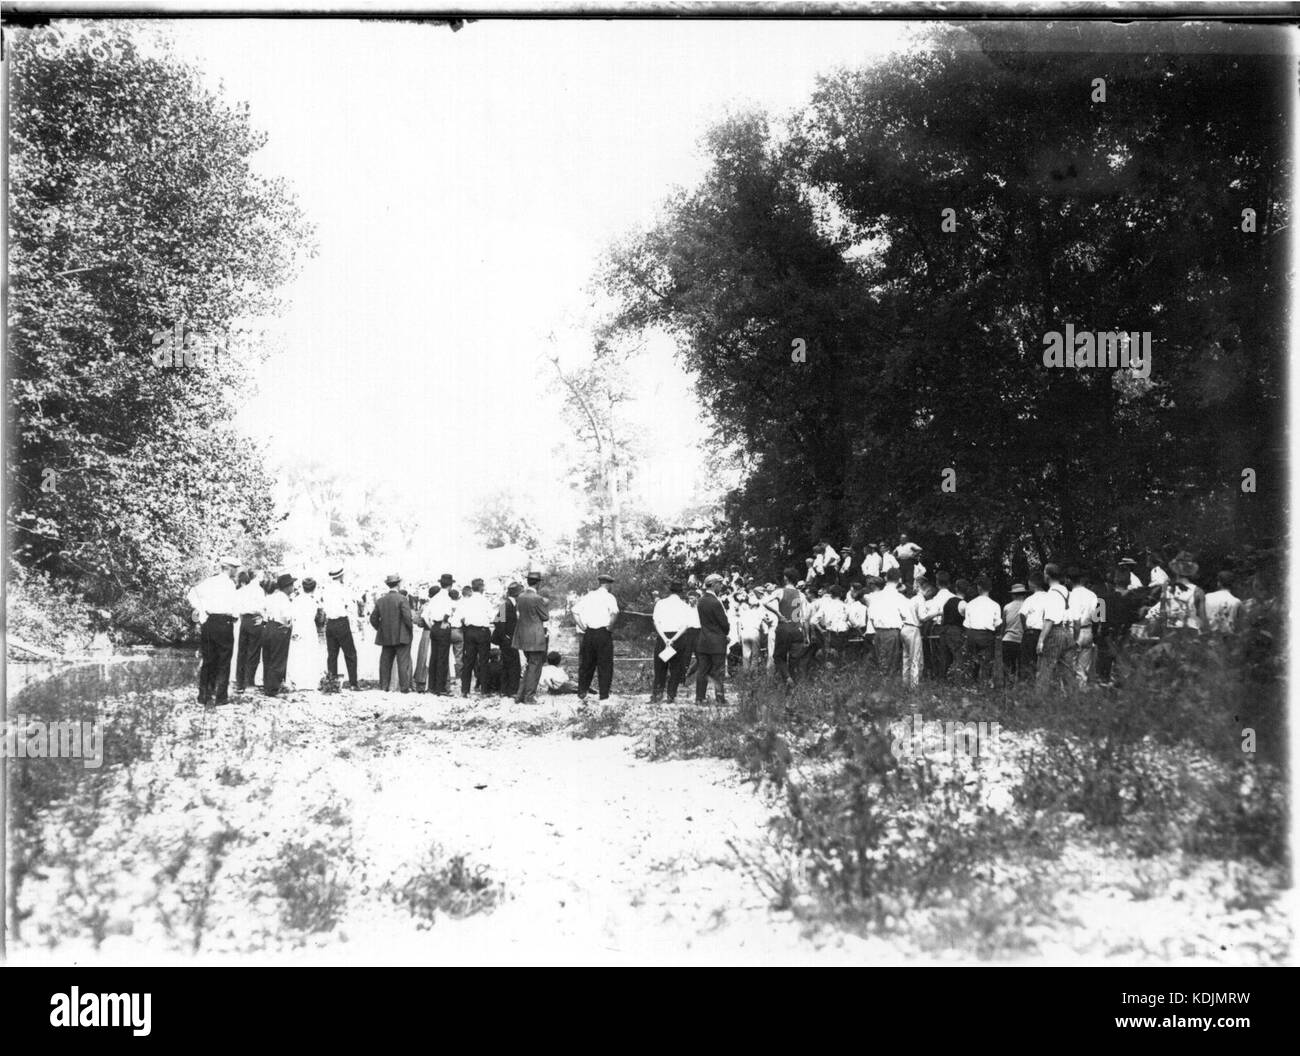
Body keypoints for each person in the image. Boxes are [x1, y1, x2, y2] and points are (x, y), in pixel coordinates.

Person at [186, 555, 241, 707]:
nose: (236, 571)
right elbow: (234, 608)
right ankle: (221, 698)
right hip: (224, 623)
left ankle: (203, 697)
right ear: (228, 568)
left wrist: (201, 611)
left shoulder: (210, 581)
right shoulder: (230, 584)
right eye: (235, 568)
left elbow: (192, 594)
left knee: (209, 660)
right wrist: (235, 616)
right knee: (223, 661)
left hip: (209, 623)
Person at [573, 573, 619, 704]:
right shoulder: (609, 597)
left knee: (586, 663)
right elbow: (615, 612)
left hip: (589, 633)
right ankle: (603, 694)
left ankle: (582, 691)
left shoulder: (588, 596)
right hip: (603, 632)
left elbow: (575, 611)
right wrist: (610, 627)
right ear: (608, 584)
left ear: (600, 583)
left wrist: (582, 626)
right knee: (605, 664)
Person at [370, 573, 413, 693]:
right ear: (398, 584)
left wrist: (381, 629)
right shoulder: (402, 599)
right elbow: (407, 618)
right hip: (401, 636)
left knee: (385, 662)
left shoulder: (381, 600)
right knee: (403, 662)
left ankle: (384, 686)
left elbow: (373, 619)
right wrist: (409, 630)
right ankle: (404, 688)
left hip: (386, 636)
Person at [763, 567, 807, 686]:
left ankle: (787, 678)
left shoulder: (780, 591)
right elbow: (804, 618)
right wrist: (806, 635)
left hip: (784, 628)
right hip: (797, 629)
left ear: (786, 578)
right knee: (794, 660)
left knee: (778, 656)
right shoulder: (801, 595)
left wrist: (778, 614)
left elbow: (765, 602)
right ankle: (791, 688)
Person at [513, 571, 550, 704]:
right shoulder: (537, 598)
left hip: (523, 636)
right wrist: (545, 604)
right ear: (538, 583)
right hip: (535, 636)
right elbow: (545, 617)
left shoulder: (520, 597)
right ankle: (529, 697)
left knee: (529, 666)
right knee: (535, 667)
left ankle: (520, 696)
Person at [651, 580, 691, 703]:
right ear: (681, 592)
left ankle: (657, 694)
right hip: (678, 638)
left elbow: (656, 622)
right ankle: (671, 695)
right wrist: (673, 639)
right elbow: (685, 626)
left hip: (663, 637)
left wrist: (665, 639)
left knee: (660, 667)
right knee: (676, 667)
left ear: (670, 591)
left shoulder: (661, 603)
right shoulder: (684, 605)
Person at [322, 565, 360, 691]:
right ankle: (353, 683)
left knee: (332, 654)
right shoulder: (343, 589)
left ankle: (331, 683)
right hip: (341, 622)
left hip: (330, 623)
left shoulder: (326, 590)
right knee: (350, 653)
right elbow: (350, 606)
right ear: (341, 575)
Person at [1036, 564, 1074, 688]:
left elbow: (1049, 619)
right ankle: (1075, 701)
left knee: (1044, 672)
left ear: (1047, 575)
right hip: (1067, 633)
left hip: (1054, 633)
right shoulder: (1067, 592)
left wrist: (1041, 640)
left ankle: (1039, 703)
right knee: (1067, 673)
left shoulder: (1052, 594)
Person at [694, 574, 730, 705]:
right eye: (719, 584)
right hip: (717, 642)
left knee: (702, 670)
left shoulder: (701, 601)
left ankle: (699, 697)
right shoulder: (716, 602)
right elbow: (724, 624)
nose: (720, 586)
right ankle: (720, 697)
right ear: (714, 584)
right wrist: (726, 632)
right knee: (718, 671)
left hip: (703, 640)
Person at [457, 578, 496, 697]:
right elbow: (493, 617)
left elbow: (460, 617)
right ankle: (484, 690)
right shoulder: (486, 601)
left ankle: (465, 690)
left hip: (469, 631)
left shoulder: (466, 601)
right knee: (483, 661)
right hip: (483, 631)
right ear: (481, 587)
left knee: (468, 661)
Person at [961, 575, 1001, 686]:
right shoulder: (995, 605)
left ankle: (972, 683)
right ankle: (987, 683)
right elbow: (997, 623)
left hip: (972, 634)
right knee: (988, 661)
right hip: (987, 635)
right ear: (990, 588)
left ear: (978, 588)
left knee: (973, 661)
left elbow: (966, 624)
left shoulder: (970, 604)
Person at [287, 577, 325, 692]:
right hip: (309, 628)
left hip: (298, 627)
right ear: (314, 588)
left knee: (298, 653)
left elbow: (291, 615)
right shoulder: (314, 601)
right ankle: (310, 681)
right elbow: (320, 620)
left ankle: (298, 681)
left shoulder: (296, 600)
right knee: (310, 653)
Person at [869, 568, 909, 675]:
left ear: (886, 578)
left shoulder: (876, 597)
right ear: (899, 579)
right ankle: (887, 688)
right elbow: (907, 615)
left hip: (878, 632)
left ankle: (880, 686)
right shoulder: (899, 597)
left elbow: (871, 616)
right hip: (892, 632)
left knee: (881, 662)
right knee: (891, 664)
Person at [261, 573, 295, 698]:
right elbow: (287, 616)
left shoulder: (272, 597)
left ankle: (267, 685)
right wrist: (290, 623)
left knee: (268, 657)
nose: (293, 587)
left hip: (268, 626)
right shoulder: (284, 599)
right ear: (287, 586)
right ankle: (273, 688)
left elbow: (263, 610)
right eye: (292, 585)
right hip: (279, 628)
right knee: (278, 657)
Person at [1066, 568, 1100, 686]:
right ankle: (1081, 694)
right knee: (1083, 670)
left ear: (1069, 580)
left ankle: (1069, 697)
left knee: (1069, 667)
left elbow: (1076, 620)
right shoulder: (1092, 595)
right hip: (1089, 630)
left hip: (1075, 631)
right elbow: (1097, 617)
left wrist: (1075, 638)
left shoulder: (1071, 596)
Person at [234, 569, 266, 693]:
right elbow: (262, 607)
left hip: (244, 621)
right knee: (253, 651)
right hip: (254, 620)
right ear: (257, 576)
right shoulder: (258, 590)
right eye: (261, 574)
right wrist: (263, 617)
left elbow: (239, 607)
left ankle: (240, 682)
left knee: (242, 651)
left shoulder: (243, 590)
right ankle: (249, 682)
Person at [1159, 551, 1206, 633]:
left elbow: (1162, 615)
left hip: (1170, 633)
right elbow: (1202, 619)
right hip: (1190, 634)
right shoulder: (1198, 591)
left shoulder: (1166, 588)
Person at [493, 582, 522, 697]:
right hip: (508, 640)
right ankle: (512, 690)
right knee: (514, 665)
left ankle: (505, 690)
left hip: (508, 639)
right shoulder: (506, 605)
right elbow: (497, 621)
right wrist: (505, 636)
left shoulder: (510, 604)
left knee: (507, 664)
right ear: (516, 594)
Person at [1017, 573, 1047, 680]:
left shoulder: (1029, 599)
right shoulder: (1049, 597)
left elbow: (1022, 614)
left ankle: (1027, 684)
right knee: (1044, 662)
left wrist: (1025, 628)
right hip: (1045, 632)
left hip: (1030, 633)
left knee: (1027, 662)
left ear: (1032, 583)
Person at [902, 575, 927, 687]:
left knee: (906, 658)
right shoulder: (920, 599)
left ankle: (905, 683)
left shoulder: (911, 600)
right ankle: (914, 686)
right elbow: (922, 617)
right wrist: (936, 613)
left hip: (904, 628)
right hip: (913, 628)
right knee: (916, 659)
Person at [1001, 583, 1028, 683]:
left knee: (1007, 666)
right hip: (1022, 640)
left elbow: (1004, 625)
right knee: (1021, 666)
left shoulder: (1007, 607)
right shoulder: (1027, 605)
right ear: (1024, 594)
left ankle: (1007, 686)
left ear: (1013, 595)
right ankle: (1020, 686)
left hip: (1008, 639)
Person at [413, 586, 438, 691]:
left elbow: (417, 620)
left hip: (426, 632)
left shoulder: (425, 605)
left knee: (423, 656)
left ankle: (421, 681)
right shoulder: (437, 605)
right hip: (433, 631)